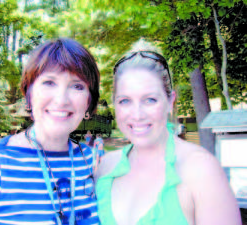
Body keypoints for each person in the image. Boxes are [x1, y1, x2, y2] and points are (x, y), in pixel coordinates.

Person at [0, 38, 101, 224]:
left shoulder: (92, 161)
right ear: (29, 93)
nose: (61, 99)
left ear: (89, 101)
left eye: (77, 86)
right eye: (49, 82)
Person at [95, 42, 241, 225]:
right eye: (125, 101)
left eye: (150, 99)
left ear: (170, 101)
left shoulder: (201, 171)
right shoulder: (106, 168)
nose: (137, 114)